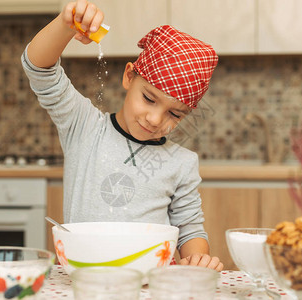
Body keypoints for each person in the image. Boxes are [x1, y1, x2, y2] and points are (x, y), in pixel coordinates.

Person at [22, 0, 223, 271]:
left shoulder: (182, 162)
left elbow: (189, 231)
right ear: (129, 77)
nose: (155, 119)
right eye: (149, 99)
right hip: (84, 276)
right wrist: (64, 25)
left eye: (175, 114)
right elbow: (39, 69)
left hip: (149, 284)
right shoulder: (83, 127)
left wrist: (197, 259)